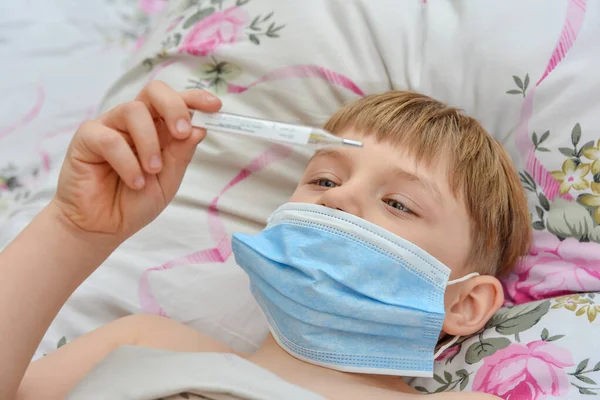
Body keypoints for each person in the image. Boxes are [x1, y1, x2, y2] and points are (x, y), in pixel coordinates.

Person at [0, 81, 530, 400]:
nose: (339, 200)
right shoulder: (139, 343)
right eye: (324, 179)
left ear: (465, 303)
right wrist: (72, 228)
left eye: (398, 203)